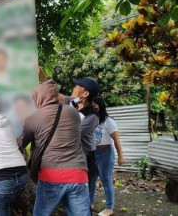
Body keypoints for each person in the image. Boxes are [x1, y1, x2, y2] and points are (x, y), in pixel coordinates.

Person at [18, 80, 90, 216]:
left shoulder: (32, 119)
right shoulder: (73, 113)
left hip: (51, 175)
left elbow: (20, 144)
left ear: (39, 98)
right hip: (78, 174)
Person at [61, 78, 100, 204]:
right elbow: (53, 95)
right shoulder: (73, 103)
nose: (74, 88)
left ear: (85, 94)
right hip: (72, 157)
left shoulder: (92, 116)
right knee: (70, 195)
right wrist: (41, 76)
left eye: (78, 86)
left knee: (82, 197)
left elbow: (71, 133)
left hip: (86, 160)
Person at [90, 97, 125, 216]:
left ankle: (109, 208)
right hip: (93, 153)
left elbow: (116, 140)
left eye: (95, 106)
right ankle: (90, 203)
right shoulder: (92, 120)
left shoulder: (108, 121)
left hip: (105, 154)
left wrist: (121, 156)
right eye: (92, 107)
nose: (94, 109)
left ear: (101, 106)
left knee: (106, 181)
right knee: (91, 179)